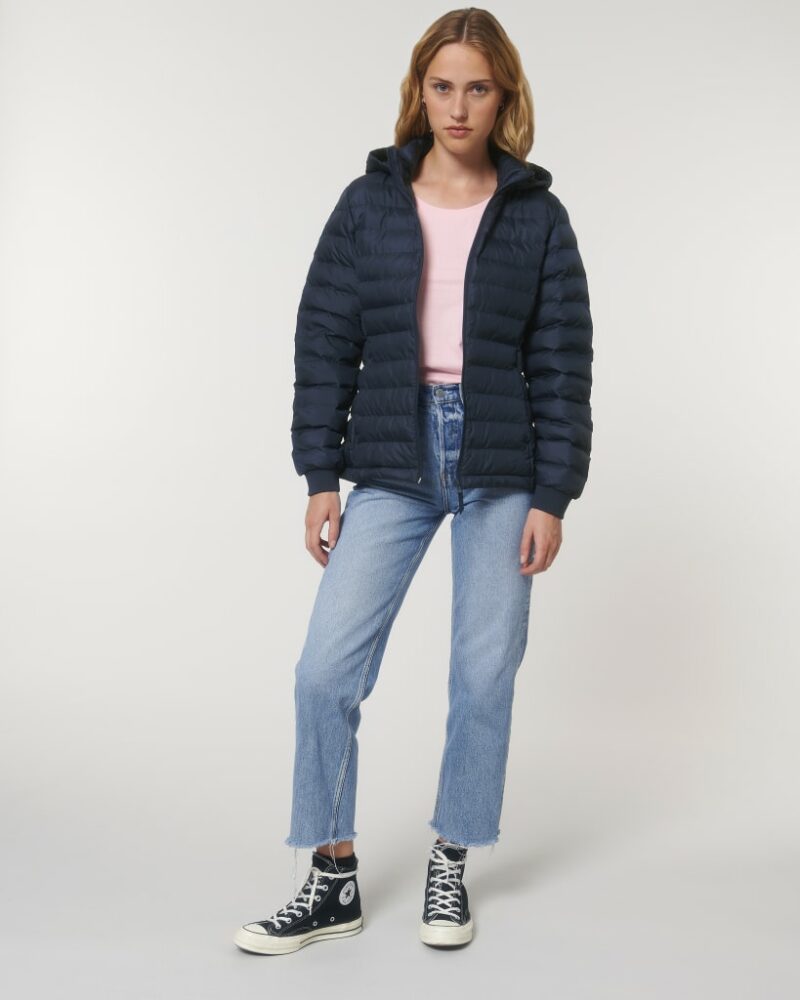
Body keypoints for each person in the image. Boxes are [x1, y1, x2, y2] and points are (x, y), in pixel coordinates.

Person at [234, 6, 593, 955]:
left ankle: (452, 858)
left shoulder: (537, 216)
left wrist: (553, 495)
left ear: (504, 96)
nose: (458, 106)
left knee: (483, 675)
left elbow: (563, 361)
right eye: (442, 87)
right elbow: (324, 339)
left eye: (478, 87)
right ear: (418, 93)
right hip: (393, 459)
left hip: (503, 464)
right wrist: (321, 475)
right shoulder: (370, 204)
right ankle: (332, 878)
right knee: (324, 673)